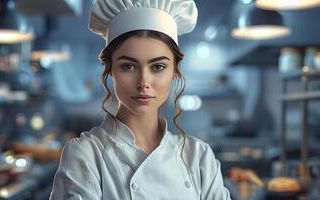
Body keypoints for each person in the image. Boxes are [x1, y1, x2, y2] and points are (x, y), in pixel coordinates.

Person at [50, 0, 231, 199]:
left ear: (175, 72)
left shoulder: (199, 157)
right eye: (128, 66)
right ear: (110, 70)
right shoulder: (86, 155)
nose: (143, 82)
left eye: (158, 67)